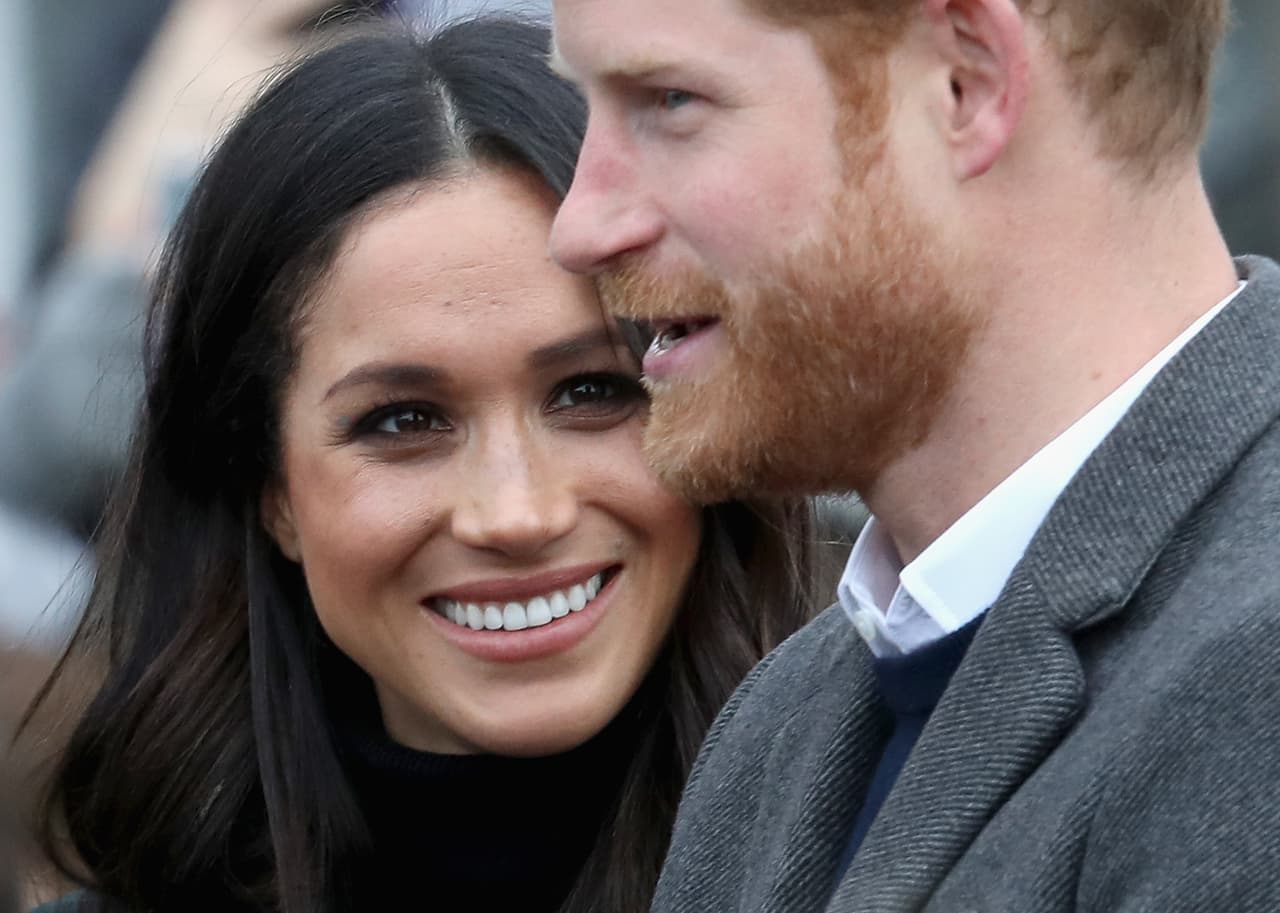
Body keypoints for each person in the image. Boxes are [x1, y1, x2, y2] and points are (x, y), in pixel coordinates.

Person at [19, 16, 816, 913]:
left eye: (592, 392)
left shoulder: (898, 854)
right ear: (269, 484)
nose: (517, 512)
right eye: (405, 420)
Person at [547, 0, 1280, 911]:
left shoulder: (1253, 689)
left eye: (670, 101)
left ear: (965, 81)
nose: (580, 228)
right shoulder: (781, 726)